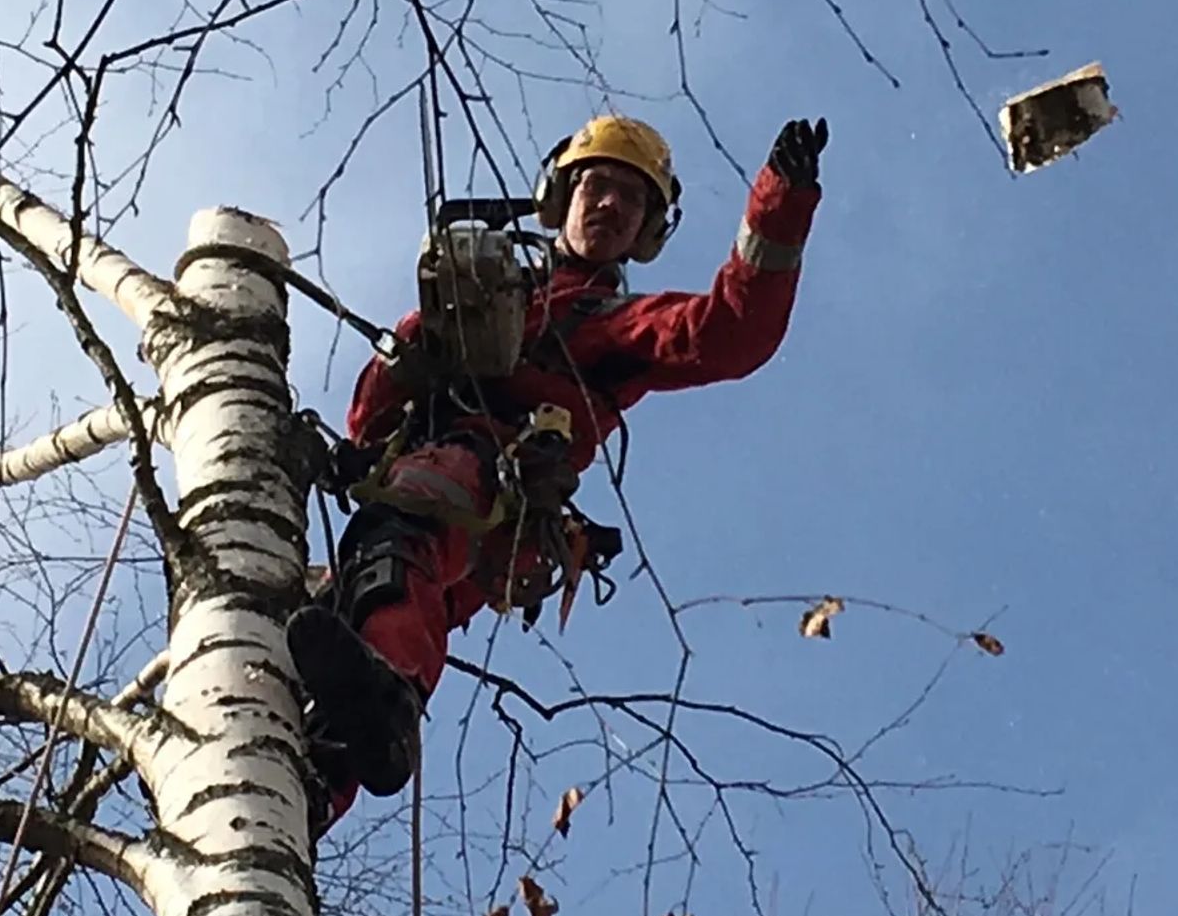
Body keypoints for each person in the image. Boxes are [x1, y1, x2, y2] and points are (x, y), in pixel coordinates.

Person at [288, 112, 828, 829]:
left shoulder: (615, 322)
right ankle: (308, 786)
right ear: (560, 197)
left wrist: (779, 204)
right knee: (329, 605)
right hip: (417, 485)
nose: (609, 205)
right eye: (598, 186)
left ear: (646, 230)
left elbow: (730, 333)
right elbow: (374, 411)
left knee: (401, 546)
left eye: (629, 200)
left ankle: (387, 705)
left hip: (486, 487)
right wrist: (409, 368)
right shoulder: (485, 287)